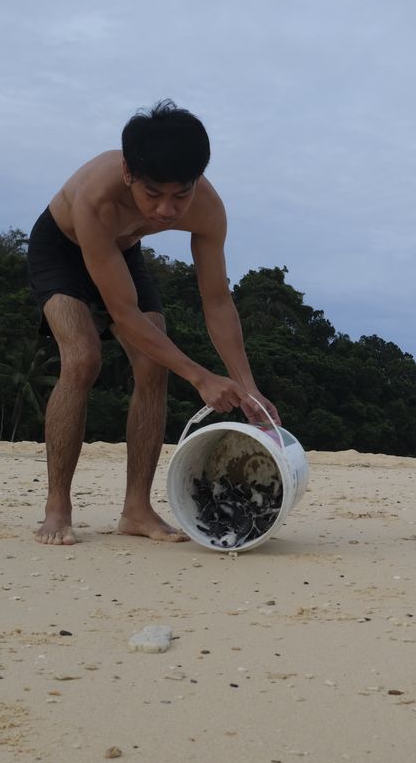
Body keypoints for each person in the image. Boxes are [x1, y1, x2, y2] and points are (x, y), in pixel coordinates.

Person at [26, 100, 277, 546]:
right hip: (61, 248)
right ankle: (57, 505)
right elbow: (123, 313)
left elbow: (217, 300)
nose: (165, 211)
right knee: (83, 358)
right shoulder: (96, 200)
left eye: (180, 195)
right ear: (128, 174)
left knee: (152, 364)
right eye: (153, 194)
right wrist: (202, 378)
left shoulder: (208, 208)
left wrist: (247, 386)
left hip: (121, 252)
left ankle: (136, 510)